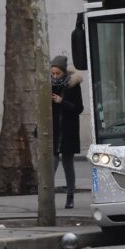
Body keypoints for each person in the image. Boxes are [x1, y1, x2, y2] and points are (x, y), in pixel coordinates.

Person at [51, 55, 84, 209]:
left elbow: (79, 108)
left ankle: (70, 196)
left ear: (64, 72)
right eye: (52, 73)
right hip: (54, 131)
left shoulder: (73, 85)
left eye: (57, 73)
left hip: (68, 131)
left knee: (67, 163)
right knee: (52, 163)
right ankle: (47, 196)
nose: (55, 76)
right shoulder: (48, 85)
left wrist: (61, 101)